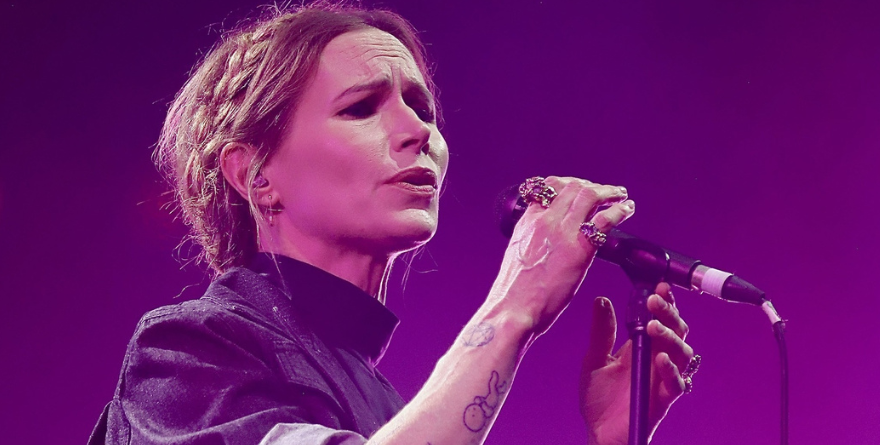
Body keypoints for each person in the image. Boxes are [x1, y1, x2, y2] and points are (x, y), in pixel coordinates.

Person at [89, 3, 696, 444]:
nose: (418, 131)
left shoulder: (386, 404)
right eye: (361, 107)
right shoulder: (189, 351)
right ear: (255, 175)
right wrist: (516, 304)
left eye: (421, 107)